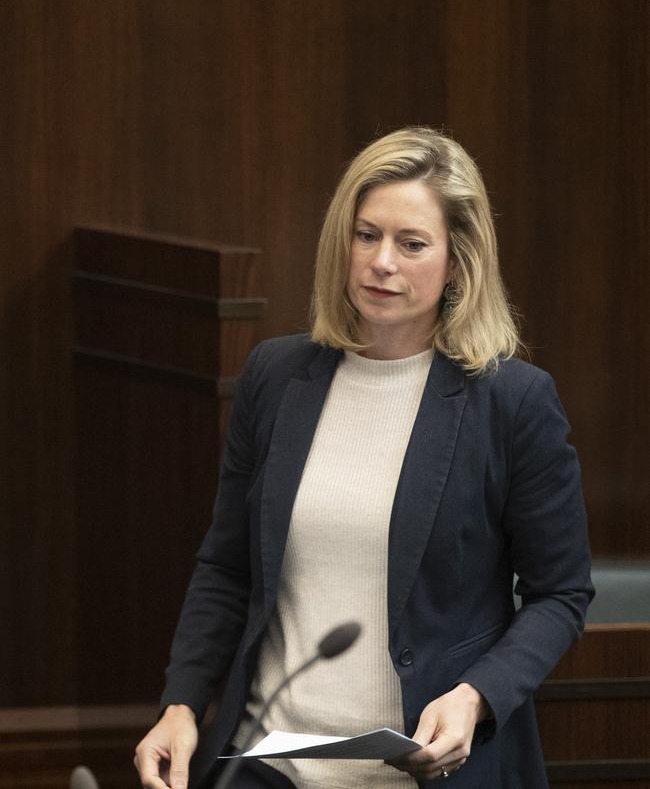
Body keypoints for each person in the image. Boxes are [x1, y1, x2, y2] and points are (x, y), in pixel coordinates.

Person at [134, 127, 594, 789]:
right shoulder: (275, 375)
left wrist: (477, 695)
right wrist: (181, 703)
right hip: (269, 763)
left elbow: (560, 593)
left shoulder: (512, 402)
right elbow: (227, 565)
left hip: (420, 772)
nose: (381, 262)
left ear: (458, 261)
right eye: (366, 234)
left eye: (411, 244)